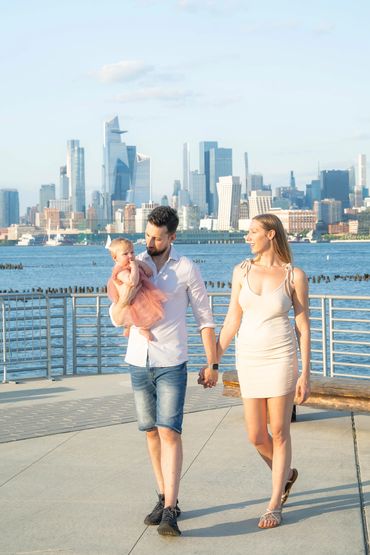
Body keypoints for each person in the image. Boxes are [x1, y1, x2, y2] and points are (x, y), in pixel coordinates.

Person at [110, 206, 218, 537]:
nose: (150, 241)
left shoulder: (186, 269)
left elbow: (205, 318)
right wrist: (127, 294)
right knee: (150, 432)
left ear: (172, 236)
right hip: (137, 360)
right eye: (147, 235)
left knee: (170, 431)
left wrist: (212, 363)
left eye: (157, 237)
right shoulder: (131, 265)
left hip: (172, 361)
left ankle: (171, 508)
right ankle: (162, 495)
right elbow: (116, 317)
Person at [216, 213, 311, 529]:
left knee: (280, 432)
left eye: (253, 231)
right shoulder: (241, 271)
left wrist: (305, 373)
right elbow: (232, 319)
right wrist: (214, 359)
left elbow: (302, 325)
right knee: (256, 435)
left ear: (271, 234)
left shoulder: (293, 275)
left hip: (282, 358)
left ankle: (274, 503)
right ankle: (285, 474)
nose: (247, 237)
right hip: (249, 360)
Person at [107, 237, 167, 340]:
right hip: (135, 296)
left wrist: (139, 263)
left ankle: (129, 327)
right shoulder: (120, 271)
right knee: (147, 312)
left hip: (139, 293)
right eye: (125, 254)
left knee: (137, 313)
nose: (130, 256)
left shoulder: (133, 263)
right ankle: (144, 328)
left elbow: (149, 272)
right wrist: (135, 266)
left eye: (132, 252)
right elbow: (132, 281)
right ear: (115, 258)